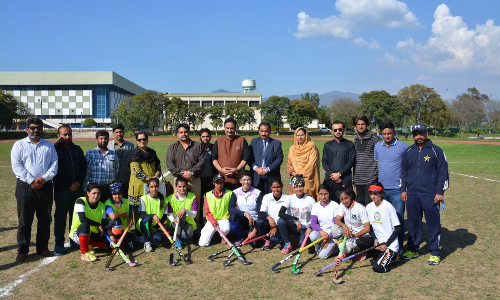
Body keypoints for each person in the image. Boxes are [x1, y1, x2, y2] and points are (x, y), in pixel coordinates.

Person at [400, 123, 449, 265]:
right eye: (415, 134)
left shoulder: (436, 151)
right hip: (412, 194)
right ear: (412, 135)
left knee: (433, 224)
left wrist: (440, 192)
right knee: (414, 224)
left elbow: (443, 173)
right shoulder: (408, 151)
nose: (418, 137)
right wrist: (403, 189)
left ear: (426, 134)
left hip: (430, 195)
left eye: (421, 134)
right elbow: (403, 172)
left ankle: (434, 252)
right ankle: (413, 249)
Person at [11, 118, 58, 262]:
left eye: (38, 128)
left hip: (45, 187)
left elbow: (54, 165)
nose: (35, 130)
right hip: (25, 188)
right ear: (27, 129)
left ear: (42, 129)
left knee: (45, 219)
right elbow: (17, 166)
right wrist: (32, 181)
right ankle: (23, 250)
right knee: (25, 221)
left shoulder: (49, 146)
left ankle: (42, 247)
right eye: (32, 128)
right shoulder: (19, 145)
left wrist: (43, 179)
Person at [53, 124, 87, 255]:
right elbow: (55, 171)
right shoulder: (54, 150)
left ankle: (74, 239)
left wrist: (78, 182)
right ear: (59, 136)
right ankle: (59, 244)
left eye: (69, 134)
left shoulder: (77, 149)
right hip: (62, 190)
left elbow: (83, 167)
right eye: (64, 134)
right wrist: (68, 184)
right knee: (61, 217)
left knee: (76, 216)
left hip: (77, 189)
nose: (67, 137)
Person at [374, 122, 408, 252]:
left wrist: (404, 188)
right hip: (382, 190)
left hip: (397, 190)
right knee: (384, 219)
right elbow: (378, 164)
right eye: (384, 134)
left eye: (389, 133)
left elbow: (406, 168)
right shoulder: (377, 147)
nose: (387, 136)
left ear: (394, 133)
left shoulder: (403, 147)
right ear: (381, 134)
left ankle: (398, 248)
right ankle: (386, 245)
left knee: (398, 219)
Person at [167, 123, 205, 225]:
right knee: (178, 204)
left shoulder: (198, 146)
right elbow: (170, 165)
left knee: (195, 204)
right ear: (177, 134)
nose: (183, 134)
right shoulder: (172, 148)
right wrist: (182, 174)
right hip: (179, 181)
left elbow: (202, 162)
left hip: (195, 180)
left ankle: (196, 227)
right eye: (181, 132)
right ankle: (178, 227)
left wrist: (191, 172)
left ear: (189, 133)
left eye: (185, 132)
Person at [128, 131, 161, 226]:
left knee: (150, 209)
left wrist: (157, 173)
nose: (142, 141)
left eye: (144, 139)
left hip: (151, 186)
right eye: (139, 139)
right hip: (138, 187)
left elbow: (158, 165)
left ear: (147, 140)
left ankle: (150, 230)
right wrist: (150, 179)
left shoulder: (152, 153)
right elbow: (136, 171)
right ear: (136, 141)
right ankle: (139, 232)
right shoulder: (134, 154)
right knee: (139, 211)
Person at [366, 183, 401, 273]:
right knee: (362, 244)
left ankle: (394, 258)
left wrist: (386, 244)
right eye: (371, 194)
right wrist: (374, 238)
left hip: (390, 244)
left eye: (375, 194)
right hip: (378, 243)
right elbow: (370, 227)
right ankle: (381, 257)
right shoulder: (369, 207)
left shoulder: (388, 207)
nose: (372, 196)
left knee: (377, 268)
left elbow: (398, 228)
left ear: (381, 194)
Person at [69, 184, 109, 262]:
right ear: (88, 193)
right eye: (94, 193)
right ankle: (85, 253)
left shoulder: (101, 205)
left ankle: (91, 244)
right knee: (85, 225)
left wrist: (110, 236)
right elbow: (83, 219)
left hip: (94, 233)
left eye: (98, 193)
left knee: (109, 246)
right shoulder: (80, 201)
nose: (96, 195)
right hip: (79, 232)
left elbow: (103, 222)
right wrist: (98, 224)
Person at [278, 175, 316, 254]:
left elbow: (317, 217)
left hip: (305, 228)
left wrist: (310, 228)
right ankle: (288, 243)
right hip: (294, 227)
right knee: (280, 221)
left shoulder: (310, 200)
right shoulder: (289, 198)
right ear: (293, 187)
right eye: (297, 187)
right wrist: (295, 220)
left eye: (301, 186)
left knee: (304, 243)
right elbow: (280, 213)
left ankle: (309, 242)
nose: (299, 189)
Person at [334, 186, 373, 260]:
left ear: (351, 196)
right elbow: (337, 220)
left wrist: (355, 235)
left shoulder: (360, 208)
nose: (344, 201)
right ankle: (347, 249)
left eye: (346, 198)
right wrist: (344, 226)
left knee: (350, 246)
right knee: (334, 228)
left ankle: (360, 250)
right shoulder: (342, 205)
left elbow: (367, 229)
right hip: (350, 234)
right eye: (342, 199)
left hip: (360, 236)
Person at [212, 118, 251, 190]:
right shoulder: (218, 141)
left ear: (235, 128)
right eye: (227, 128)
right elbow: (214, 158)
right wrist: (220, 169)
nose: (229, 130)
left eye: (232, 128)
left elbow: (246, 157)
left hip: (237, 178)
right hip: (222, 179)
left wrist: (236, 169)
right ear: (224, 128)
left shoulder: (241, 140)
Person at [322, 121, 355, 203]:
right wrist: (332, 175)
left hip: (344, 179)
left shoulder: (350, 144)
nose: (338, 132)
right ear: (332, 131)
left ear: (343, 130)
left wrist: (339, 174)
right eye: (335, 130)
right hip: (330, 180)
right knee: (330, 204)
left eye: (340, 129)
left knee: (346, 204)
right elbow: (324, 161)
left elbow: (351, 162)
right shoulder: (327, 145)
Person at [228, 171, 263, 246]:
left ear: (251, 180)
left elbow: (261, 212)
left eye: (248, 179)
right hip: (243, 219)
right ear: (240, 181)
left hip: (254, 221)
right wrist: (245, 213)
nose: (246, 182)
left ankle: (256, 233)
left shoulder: (257, 193)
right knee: (233, 216)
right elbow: (230, 208)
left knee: (254, 244)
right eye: (244, 180)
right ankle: (241, 237)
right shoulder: (236, 192)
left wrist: (255, 229)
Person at [353, 115, 381, 206]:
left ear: (367, 125)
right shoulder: (355, 140)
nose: (360, 126)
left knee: (370, 205)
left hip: (371, 179)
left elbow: (381, 157)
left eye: (363, 124)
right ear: (356, 126)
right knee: (361, 205)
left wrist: (377, 174)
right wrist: (354, 177)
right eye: (358, 124)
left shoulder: (375, 139)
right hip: (359, 179)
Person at [137, 178, 171, 252]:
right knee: (147, 219)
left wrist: (155, 228)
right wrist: (152, 215)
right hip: (144, 224)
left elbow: (164, 217)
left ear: (158, 187)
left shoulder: (164, 200)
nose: (154, 189)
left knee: (158, 239)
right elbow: (142, 215)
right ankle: (147, 242)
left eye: (156, 186)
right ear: (148, 188)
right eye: (152, 187)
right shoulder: (144, 198)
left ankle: (145, 238)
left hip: (156, 227)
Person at [84, 130, 119, 202]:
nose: (103, 140)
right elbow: (86, 172)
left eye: (105, 138)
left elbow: (117, 170)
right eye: (101, 138)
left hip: (108, 188)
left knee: (108, 210)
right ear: (96, 140)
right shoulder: (90, 154)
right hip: (94, 188)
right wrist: (85, 189)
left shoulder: (113, 154)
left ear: (108, 140)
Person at [199, 174, 233, 247]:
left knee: (226, 228)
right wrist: (214, 222)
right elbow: (207, 212)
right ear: (214, 183)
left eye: (221, 183)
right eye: (217, 183)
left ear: (224, 183)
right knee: (202, 243)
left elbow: (234, 208)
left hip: (224, 219)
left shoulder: (230, 193)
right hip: (211, 220)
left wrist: (230, 217)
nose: (219, 185)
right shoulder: (207, 195)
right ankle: (215, 235)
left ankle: (222, 237)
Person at [249, 122, 283, 194]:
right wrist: (256, 168)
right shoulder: (254, 142)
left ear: (270, 131)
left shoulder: (276, 143)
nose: (263, 134)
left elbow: (279, 159)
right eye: (261, 131)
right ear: (259, 131)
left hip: (271, 177)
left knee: (271, 201)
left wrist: (267, 169)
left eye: (266, 131)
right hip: (256, 177)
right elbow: (249, 158)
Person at [287, 127, 320, 200]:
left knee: (307, 202)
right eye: (298, 135)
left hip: (307, 179)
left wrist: (299, 175)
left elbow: (311, 164)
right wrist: (293, 173)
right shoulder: (292, 148)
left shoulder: (312, 147)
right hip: (294, 178)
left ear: (306, 135)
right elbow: (289, 162)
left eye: (302, 135)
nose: (300, 137)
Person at [257, 178, 289, 250]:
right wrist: (269, 218)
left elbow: (286, 217)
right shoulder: (266, 197)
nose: (276, 190)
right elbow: (262, 212)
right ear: (270, 188)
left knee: (275, 240)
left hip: (280, 225)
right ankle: (267, 239)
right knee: (260, 221)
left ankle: (278, 239)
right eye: (273, 187)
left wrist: (276, 227)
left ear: (282, 187)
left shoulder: (287, 198)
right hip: (269, 223)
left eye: (278, 187)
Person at [309, 184, 341, 259]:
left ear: (329, 193)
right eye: (321, 194)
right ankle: (318, 249)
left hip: (333, 234)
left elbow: (336, 224)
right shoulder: (316, 206)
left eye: (326, 194)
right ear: (318, 194)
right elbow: (313, 223)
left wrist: (329, 237)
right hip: (323, 233)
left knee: (322, 256)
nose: (323, 197)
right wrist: (321, 231)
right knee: (312, 235)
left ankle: (335, 247)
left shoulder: (335, 205)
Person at [166, 177, 198, 242]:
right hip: (175, 222)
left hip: (188, 222)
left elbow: (194, 215)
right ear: (176, 187)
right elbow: (169, 214)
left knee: (187, 235)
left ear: (187, 186)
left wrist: (185, 210)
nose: (182, 189)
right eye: (179, 187)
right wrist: (173, 220)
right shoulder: (170, 198)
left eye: (184, 186)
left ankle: (178, 236)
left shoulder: (193, 196)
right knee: (180, 216)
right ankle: (177, 238)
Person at [104, 183, 134, 253]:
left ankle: (121, 244)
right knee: (117, 221)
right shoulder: (108, 203)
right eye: (115, 194)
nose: (117, 196)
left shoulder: (127, 202)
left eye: (119, 193)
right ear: (111, 194)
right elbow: (113, 216)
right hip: (111, 230)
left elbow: (130, 214)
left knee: (130, 248)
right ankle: (115, 243)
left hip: (124, 230)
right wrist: (123, 213)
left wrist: (130, 220)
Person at [108, 124, 134, 198]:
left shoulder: (130, 146)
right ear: (113, 133)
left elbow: (132, 163)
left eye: (121, 132)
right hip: (112, 179)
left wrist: (130, 179)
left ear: (124, 132)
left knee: (125, 201)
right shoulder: (108, 145)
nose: (119, 134)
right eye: (117, 132)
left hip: (126, 179)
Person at [199, 128, 217, 202]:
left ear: (210, 137)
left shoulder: (214, 148)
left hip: (211, 179)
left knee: (211, 201)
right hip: (199, 179)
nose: (205, 138)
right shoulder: (196, 148)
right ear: (199, 137)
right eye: (203, 136)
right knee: (199, 201)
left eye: (207, 136)